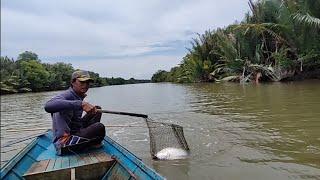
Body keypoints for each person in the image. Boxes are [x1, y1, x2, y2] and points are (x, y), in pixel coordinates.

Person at [44, 70, 105, 155]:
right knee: (99, 127)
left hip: (75, 130)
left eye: (87, 82)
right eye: (82, 82)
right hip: (64, 144)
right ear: (72, 82)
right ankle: (92, 142)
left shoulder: (78, 95)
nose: (86, 85)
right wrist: (80, 104)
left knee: (97, 110)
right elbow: (48, 106)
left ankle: (91, 141)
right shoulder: (66, 95)